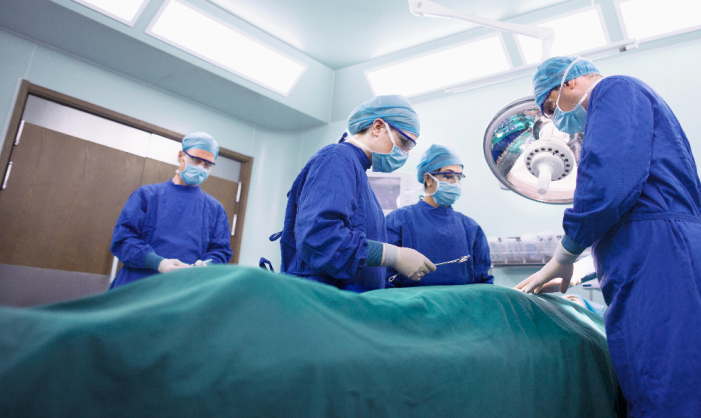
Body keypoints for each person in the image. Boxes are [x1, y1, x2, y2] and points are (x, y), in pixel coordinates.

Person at [515, 56, 701, 417]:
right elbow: (641, 202)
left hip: (663, 256)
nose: (558, 119)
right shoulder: (633, 102)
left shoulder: (614, 89)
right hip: (677, 250)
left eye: (551, 106)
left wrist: (564, 254)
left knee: (675, 377)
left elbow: (609, 185)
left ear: (569, 83)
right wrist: (583, 270)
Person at [272, 95, 436, 293]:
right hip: (321, 302)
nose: (405, 153)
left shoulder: (356, 172)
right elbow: (320, 239)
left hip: (346, 306)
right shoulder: (336, 159)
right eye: (404, 143)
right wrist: (395, 255)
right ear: (377, 127)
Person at [109, 132, 232, 289]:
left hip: (182, 291)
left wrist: (207, 266)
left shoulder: (215, 209)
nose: (201, 168)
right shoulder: (147, 196)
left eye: (207, 165)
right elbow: (123, 240)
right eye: (196, 160)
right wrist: (158, 263)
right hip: (136, 287)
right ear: (181, 156)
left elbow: (221, 251)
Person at [385, 145, 493, 287]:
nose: (455, 183)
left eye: (459, 177)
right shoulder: (398, 221)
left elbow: (482, 282)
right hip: (412, 306)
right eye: (448, 176)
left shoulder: (470, 227)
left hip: (460, 306)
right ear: (428, 179)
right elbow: (385, 278)